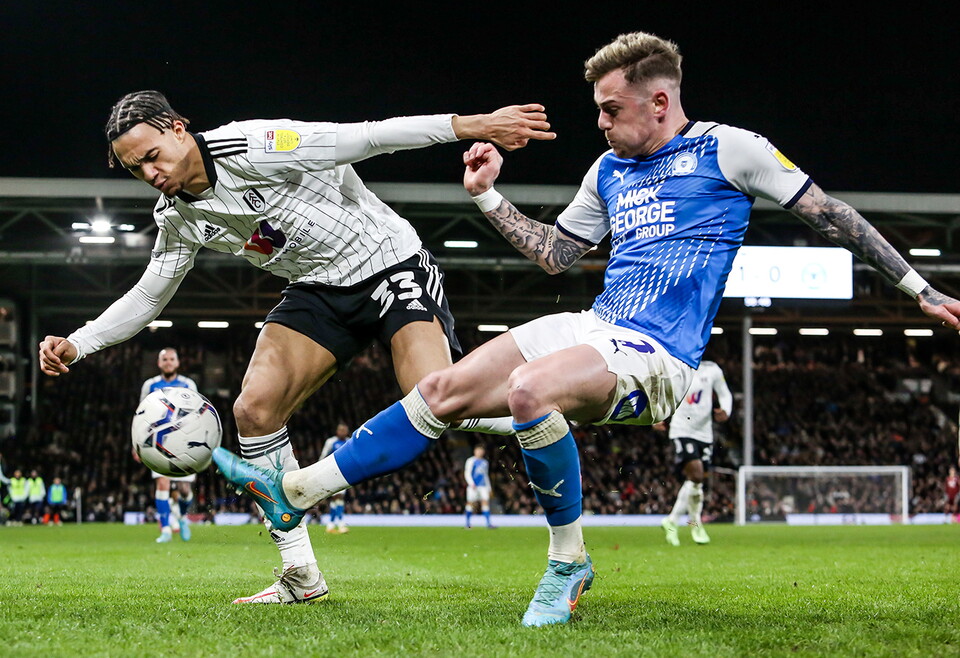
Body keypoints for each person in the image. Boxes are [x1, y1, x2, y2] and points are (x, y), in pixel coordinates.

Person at [213, 30, 960, 626]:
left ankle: (568, 562)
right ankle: (300, 490)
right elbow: (555, 254)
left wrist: (920, 289)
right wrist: (486, 197)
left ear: (659, 101)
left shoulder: (730, 149)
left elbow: (830, 214)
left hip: (659, 351)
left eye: (610, 108)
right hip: (594, 323)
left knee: (530, 390)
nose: (600, 123)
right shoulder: (607, 170)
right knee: (440, 391)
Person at [38, 90, 552, 604]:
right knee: (254, 410)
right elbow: (150, 295)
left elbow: (369, 136)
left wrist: (475, 124)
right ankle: (300, 575)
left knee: (436, 397)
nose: (150, 173)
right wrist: (78, 343)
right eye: (135, 169)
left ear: (177, 128)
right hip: (317, 289)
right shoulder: (176, 217)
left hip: (389, 262)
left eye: (152, 156)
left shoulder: (255, 145)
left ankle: (547, 406)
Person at [657, 359, 732, 546]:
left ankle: (674, 521)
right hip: (682, 430)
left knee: (696, 484)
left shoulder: (712, 369)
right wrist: (657, 414)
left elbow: (724, 392)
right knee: (697, 476)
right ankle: (693, 524)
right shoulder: (676, 364)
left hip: (705, 434)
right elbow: (661, 391)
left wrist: (726, 410)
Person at [137, 347, 198, 543]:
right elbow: (141, 414)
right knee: (162, 484)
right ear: (159, 363)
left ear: (177, 363)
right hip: (158, 442)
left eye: (172, 359)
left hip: (183, 443)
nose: (168, 362)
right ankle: (165, 529)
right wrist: (136, 443)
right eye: (165, 359)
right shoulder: (150, 385)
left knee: (184, 490)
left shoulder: (188, 384)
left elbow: (197, 412)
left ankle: (182, 517)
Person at [319, 422, 350, 534]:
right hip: (332, 472)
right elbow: (323, 456)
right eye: (341, 430)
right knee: (337, 497)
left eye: (344, 430)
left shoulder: (349, 442)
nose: (343, 432)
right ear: (337, 431)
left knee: (337, 498)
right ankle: (340, 524)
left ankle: (331, 524)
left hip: (345, 473)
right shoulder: (331, 442)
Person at [463, 444, 494, 529]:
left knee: (485, 502)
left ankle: (488, 524)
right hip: (473, 486)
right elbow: (467, 473)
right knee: (470, 503)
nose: (480, 452)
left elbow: (485, 475)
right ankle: (467, 524)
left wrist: (489, 488)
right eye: (478, 450)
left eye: (481, 451)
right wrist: (471, 483)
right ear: (475, 451)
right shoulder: (471, 460)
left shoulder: (485, 462)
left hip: (483, 486)